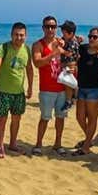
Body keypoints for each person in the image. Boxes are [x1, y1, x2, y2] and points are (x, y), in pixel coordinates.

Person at [0, 22, 33, 158]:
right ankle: (0, 145)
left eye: (22, 35)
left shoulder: (27, 49)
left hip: (19, 93)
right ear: (11, 35)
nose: (19, 38)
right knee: (2, 119)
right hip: (4, 92)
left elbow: (29, 69)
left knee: (16, 120)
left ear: (25, 36)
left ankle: (13, 144)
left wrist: (30, 87)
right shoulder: (3, 48)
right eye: (16, 35)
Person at [32, 16, 69, 156]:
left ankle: (58, 144)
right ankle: (38, 144)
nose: (50, 29)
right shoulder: (38, 45)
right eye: (47, 26)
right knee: (45, 118)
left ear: (56, 28)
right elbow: (37, 63)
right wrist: (54, 53)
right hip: (46, 89)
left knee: (60, 117)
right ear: (43, 28)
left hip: (62, 88)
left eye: (53, 26)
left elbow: (71, 54)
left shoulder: (61, 42)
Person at [73, 27, 98, 156]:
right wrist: (75, 40)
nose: (91, 39)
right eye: (90, 36)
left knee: (92, 119)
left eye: (95, 37)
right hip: (81, 88)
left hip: (95, 90)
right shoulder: (82, 49)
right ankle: (89, 139)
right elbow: (70, 48)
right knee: (79, 117)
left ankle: (86, 146)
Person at [59, 20, 80, 111]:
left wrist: (60, 50)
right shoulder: (68, 40)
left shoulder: (73, 42)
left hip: (70, 65)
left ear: (71, 33)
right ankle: (72, 98)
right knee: (68, 83)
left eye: (64, 33)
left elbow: (69, 53)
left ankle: (69, 101)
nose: (63, 35)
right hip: (68, 65)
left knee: (68, 83)